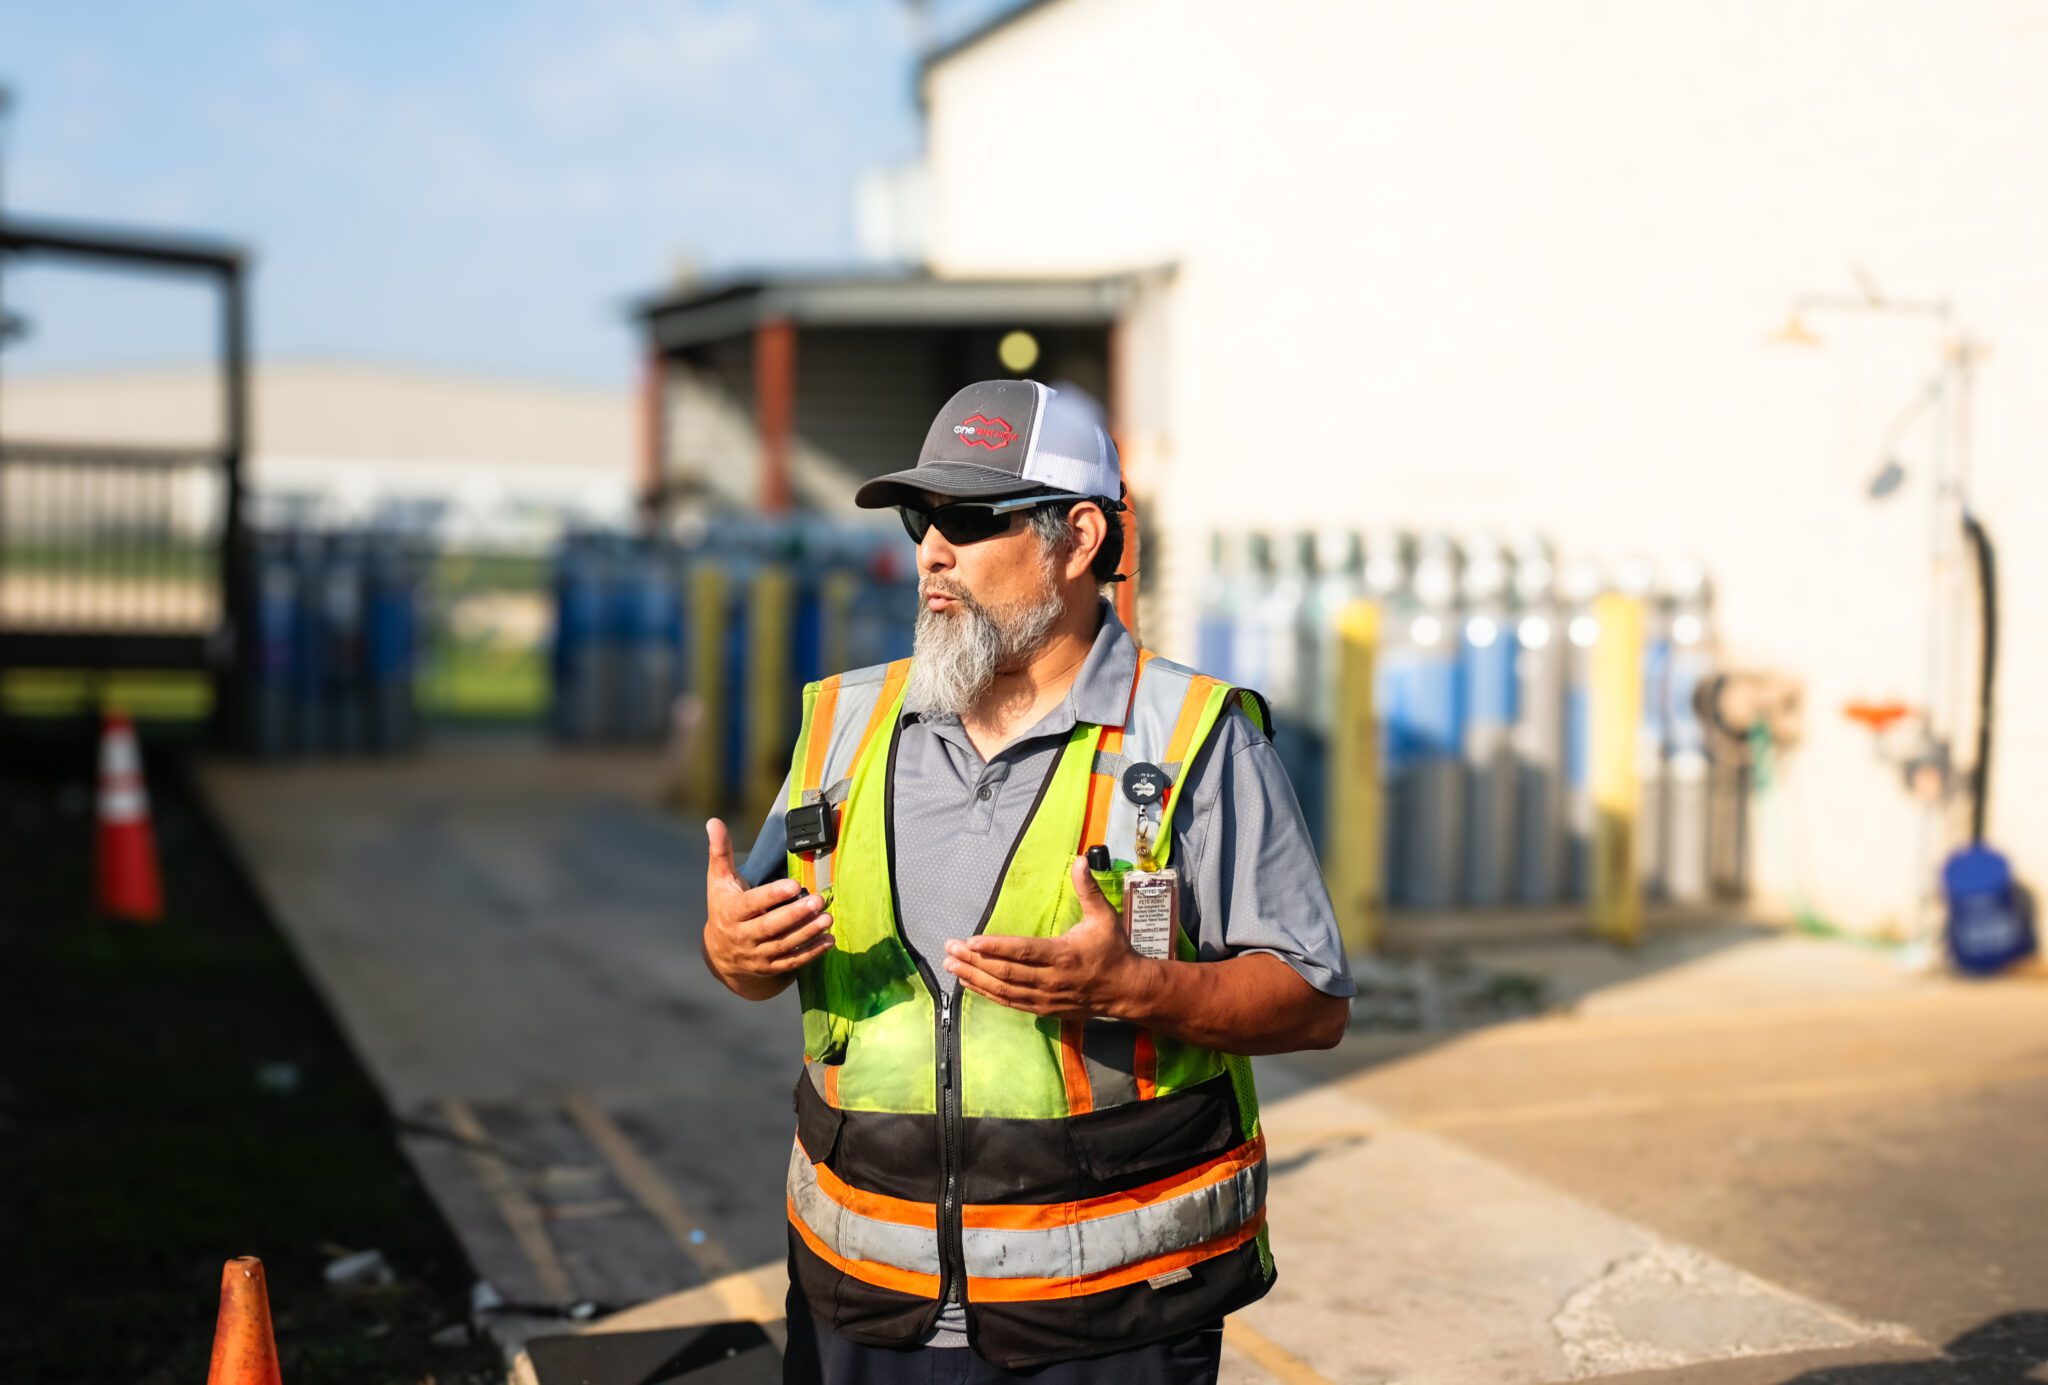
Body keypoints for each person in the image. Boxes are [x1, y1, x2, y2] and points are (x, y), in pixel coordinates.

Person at [701, 379, 1354, 1384]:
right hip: (857, 1300)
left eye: (968, 518)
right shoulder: (843, 724)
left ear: (1077, 536)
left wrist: (1138, 989)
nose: (931, 549)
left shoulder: (1193, 738)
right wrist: (732, 953)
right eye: (923, 517)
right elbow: (756, 953)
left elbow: (1311, 1001)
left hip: (1108, 1322)